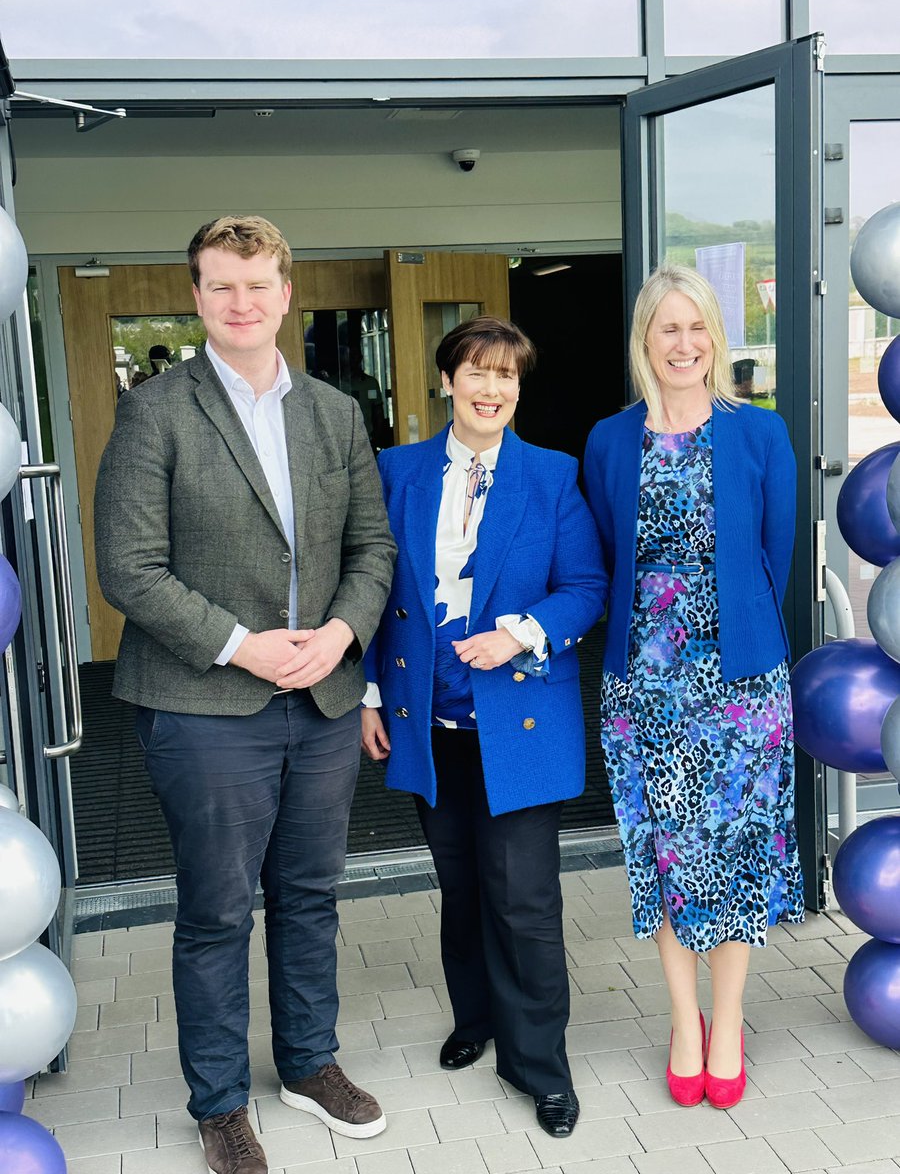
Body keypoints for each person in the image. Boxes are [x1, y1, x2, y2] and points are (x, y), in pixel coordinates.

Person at [94, 215, 397, 1174]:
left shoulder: (335, 412)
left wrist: (343, 633)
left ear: (286, 293)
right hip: (203, 703)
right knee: (219, 909)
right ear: (197, 297)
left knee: (309, 895)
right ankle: (220, 1102)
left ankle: (308, 1062)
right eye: (222, 285)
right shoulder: (156, 411)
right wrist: (243, 647)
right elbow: (128, 569)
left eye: (258, 284)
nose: (242, 303)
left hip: (322, 697)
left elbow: (373, 549)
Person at [361, 316, 606, 1138]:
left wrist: (520, 633)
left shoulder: (550, 474)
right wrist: (368, 696)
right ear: (447, 382)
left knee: (525, 900)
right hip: (427, 722)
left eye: (507, 376)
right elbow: (364, 586)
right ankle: (476, 1021)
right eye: (477, 373)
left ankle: (540, 1065)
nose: (492, 389)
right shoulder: (397, 471)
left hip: (521, 724)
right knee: (462, 888)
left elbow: (585, 587)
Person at [582, 265, 804, 1111]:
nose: (684, 344)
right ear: (645, 340)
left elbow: (771, 559)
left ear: (716, 337)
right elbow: (607, 556)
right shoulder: (610, 440)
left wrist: (736, 641)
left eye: (697, 327)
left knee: (738, 858)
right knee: (670, 859)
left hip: (741, 688)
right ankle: (683, 1023)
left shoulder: (761, 434)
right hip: (646, 692)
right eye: (666, 328)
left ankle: (730, 1021)